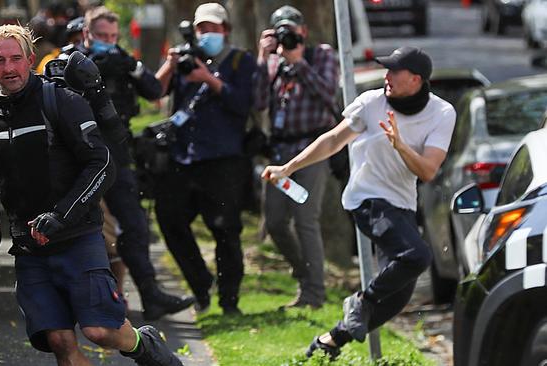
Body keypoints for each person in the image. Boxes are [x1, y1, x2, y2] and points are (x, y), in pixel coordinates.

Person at [0, 24, 183, 366]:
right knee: (60, 341)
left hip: (77, 238)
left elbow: (102, 164)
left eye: (15, 59)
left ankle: (146, 346)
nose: (8, 68)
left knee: (100, 331)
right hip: (30, 248)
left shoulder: (60, 102)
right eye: (0, 60)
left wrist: (60, 215)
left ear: (30, 60)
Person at [262, 46, 456, 359]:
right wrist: (288, 168)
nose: (387, 76)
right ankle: (360, 302)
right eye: (386, 69)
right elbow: (332, 140)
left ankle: (329, 341)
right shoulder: (371, 102)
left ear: (417, 79)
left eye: (395, 71)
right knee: (418, 256)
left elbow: (428, 170)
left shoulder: (441, 113)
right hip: (365, 198)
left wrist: (401, 146)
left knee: (398, 293)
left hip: (402, 204)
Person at [62, 6, 196, 321]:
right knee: (81, 228)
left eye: (113, 36)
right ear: (87, 34)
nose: (108, 42)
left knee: (134, 224)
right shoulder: (68, 58)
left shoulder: (123, 59)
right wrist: (89, 67)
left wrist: (131, 67)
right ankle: (75, 301)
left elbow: (153, 91)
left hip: (117, 154)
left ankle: (150, 294)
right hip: (80, 156)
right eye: (101, 37)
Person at [154, 2, 257, 315]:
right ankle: (201, 285)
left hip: (224, 159)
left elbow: (244, 104)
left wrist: (209, 79)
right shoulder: (185, 58)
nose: (207, 33)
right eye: (202, 28)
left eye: (213, 28)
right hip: (183, 158)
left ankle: (229, 301)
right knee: (169, 218)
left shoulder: (241, 60)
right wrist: (171, 65)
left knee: (225, 229)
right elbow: (154, 92)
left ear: (225, 29)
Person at [254, 5, 340, 309]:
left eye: (293, 30)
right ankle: (304, 271)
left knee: (305, 220)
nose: (288, 37)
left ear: (303, 31)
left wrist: (299, 62)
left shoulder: (322, 55)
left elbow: (330, 94)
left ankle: (313, 294)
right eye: (282, 32)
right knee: (275, 221)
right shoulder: (274, 62)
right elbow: (259, 102)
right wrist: (263, 59)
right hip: (280, 153)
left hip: (313, 150)